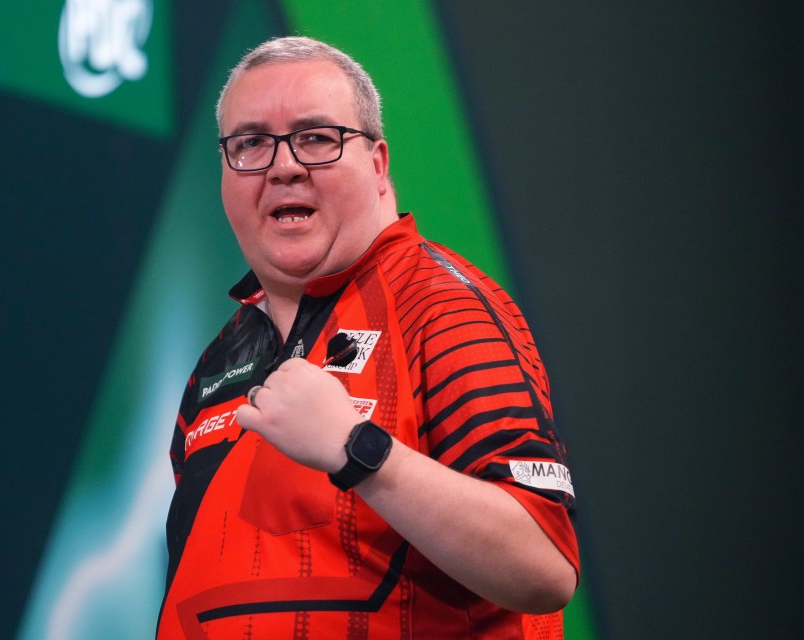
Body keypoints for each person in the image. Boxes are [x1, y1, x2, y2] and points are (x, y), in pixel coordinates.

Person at [157, 36, 579, 639]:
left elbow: (544, 564)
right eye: (250, 143)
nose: (283, 166)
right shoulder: (218, 362)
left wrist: (358, 449)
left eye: (316, 138)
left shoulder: (443, 306)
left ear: (378, 166)